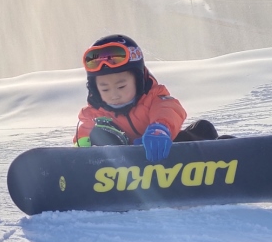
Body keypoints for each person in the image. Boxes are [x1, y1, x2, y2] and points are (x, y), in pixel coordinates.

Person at [73, 34, 226, 162]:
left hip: (164, 156)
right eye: (105, 89)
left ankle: (222, 153)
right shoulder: (93, 114)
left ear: (138, 81)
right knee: (99, 133)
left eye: (121, 87)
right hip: (121, 168)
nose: (114, 95)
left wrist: (160, 129)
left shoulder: (153, 98)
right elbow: (83, 135)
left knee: (186, 137)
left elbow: (169, 109)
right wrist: (81, 153)